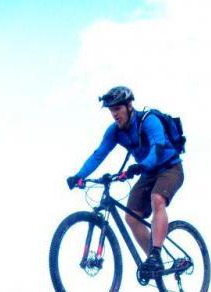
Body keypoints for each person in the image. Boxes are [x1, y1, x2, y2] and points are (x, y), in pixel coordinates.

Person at [66, 86, 184, 279]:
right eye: (111, 110)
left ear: (129, 106)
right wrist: (79, 175)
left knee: (157, 198)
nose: (114, 114)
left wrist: (142, 165)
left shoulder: (149, 121)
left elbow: (159, 146)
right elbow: (99, 154)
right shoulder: (114, 132)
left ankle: (155, 253)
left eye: (117, 109)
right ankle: (155, 263)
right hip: (147, 173)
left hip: (170, 168)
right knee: (131, 217)